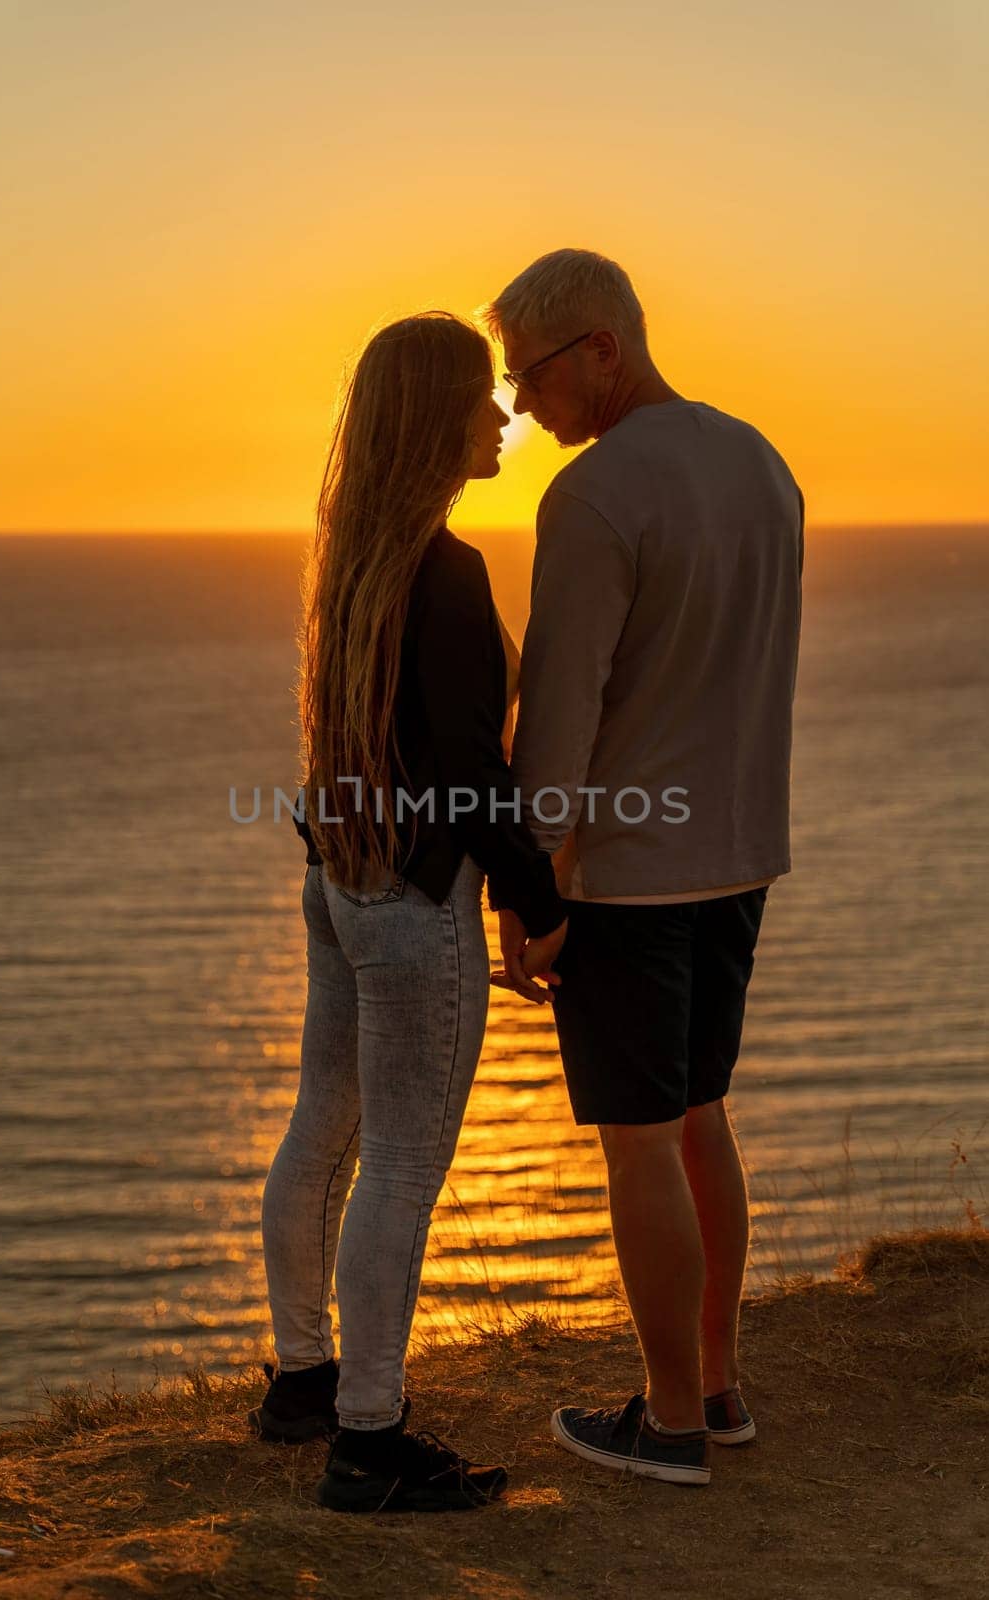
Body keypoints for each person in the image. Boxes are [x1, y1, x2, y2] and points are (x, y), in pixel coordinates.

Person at [484, 249, 804, 1487]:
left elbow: (560, 714)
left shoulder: (595, 495)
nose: (522, 405)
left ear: (601, 350)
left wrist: (535, 884)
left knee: (634, 1142)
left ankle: (667, 1419)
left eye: (532, 375)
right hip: (737, 855)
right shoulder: (760, 463)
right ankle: (716, 1385)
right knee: (697, 1116)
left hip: (624, 872)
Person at [249, 311, 568, 1513]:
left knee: (322, 1126)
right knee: (399, 1167)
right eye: (483, 402)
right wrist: (538, 901)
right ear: (438, 417)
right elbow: (467, 772)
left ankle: (303, 1384)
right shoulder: (445, 569)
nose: (501, 419)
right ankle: (368, 1440)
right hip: (408, 899)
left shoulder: (357, 558)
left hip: (339, 879)